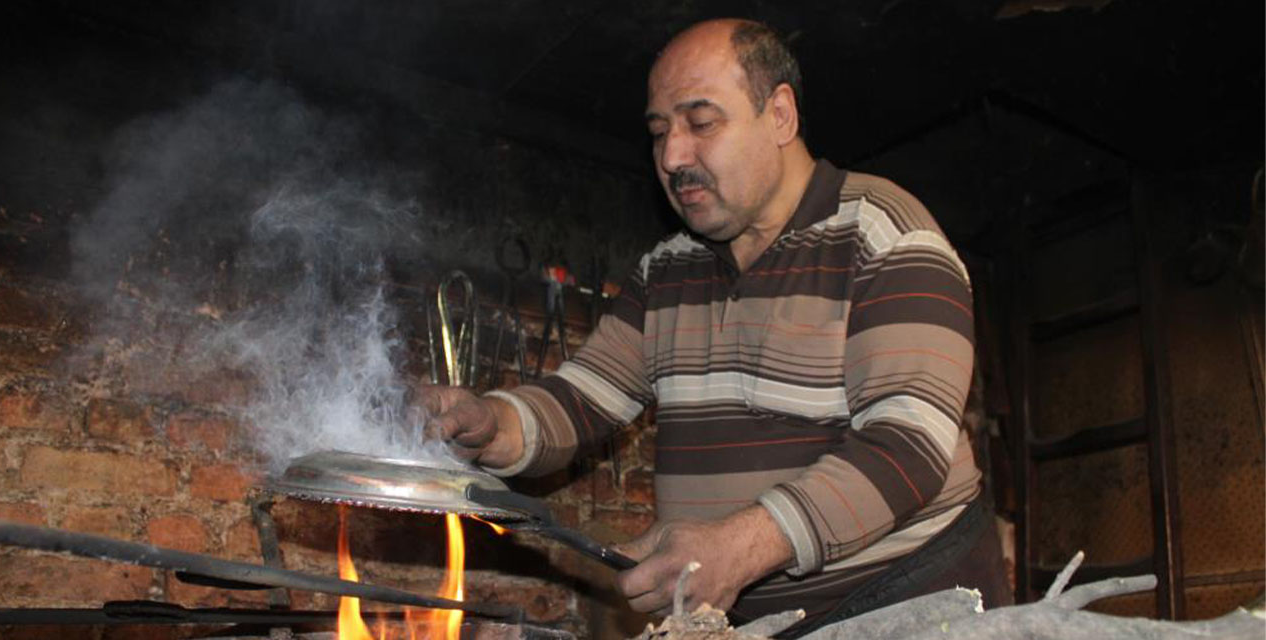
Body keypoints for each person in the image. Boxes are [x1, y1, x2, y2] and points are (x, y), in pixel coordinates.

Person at [418, 17, 1009, 635]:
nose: (673, 157)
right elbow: (582, 399)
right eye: (658, 133)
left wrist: (742, 546)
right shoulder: (668, 270)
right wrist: (492, 424)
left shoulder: (885, 234)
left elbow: (906, 447)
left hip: (910, 609)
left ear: (780, 114)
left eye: (701, 123)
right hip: (758, 623)